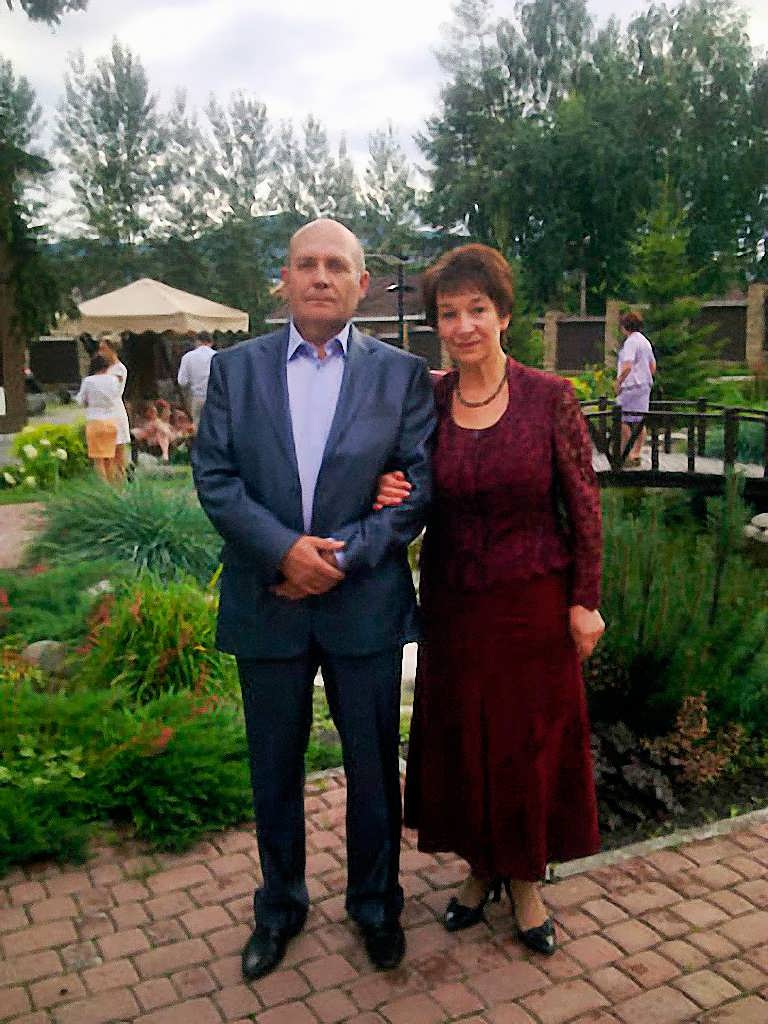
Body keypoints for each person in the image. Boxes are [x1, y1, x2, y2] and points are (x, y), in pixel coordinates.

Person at [191, 218, 436, 981]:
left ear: (362, 284)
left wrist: (338, 558)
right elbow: (215, 479)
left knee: (373, 768)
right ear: (285, 280)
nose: (320, 276)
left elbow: (417, 487)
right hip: (268, 599)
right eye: (306, 264)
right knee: (274, 769)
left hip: (364, 605)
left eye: (336, 265)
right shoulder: (235, 371)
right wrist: (284, 553)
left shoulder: (402, 375)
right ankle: (279, 907)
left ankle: (376, 904)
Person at [376, 244, 604, 956]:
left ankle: (526, 881)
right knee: (465, 741)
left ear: (504, 315)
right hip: (454, 605)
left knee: (525, 744)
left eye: (477, 309)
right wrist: (385, 486)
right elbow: (403, 475)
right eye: (449, 313)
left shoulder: (548, 397)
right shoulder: (430, 399)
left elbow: (584, 505)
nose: (464, 325)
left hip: (532, 604)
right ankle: (480, 869)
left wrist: (585, 600)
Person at [615, 311, 656, 467]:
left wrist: (619, 382)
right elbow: (652, 366)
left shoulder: (631, 342)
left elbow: (627, 365)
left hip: (631, 385)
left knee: (621, 418)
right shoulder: (645, 341)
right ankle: (637, 453)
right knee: (640, 419)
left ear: (625, 326)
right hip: (645, 385)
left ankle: (627, 451)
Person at [75, 354, 121, 483]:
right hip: (111, 421)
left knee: (98, 459)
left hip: (95, 421)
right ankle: (113, 486)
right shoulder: (114, 380)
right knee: (110, 458)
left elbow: (80, 400)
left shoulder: (89, 381)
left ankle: (103, 486)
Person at [97, 335, 131, 478]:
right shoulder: (105, 369)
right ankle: (109, 481)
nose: (101, 353)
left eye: (104, 349)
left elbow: (111, 389)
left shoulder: (119, 369)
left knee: (117, 452)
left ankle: (119, 481)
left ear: (112, 350)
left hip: (114, 412)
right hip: (103, 412)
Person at [177, 331, 216, 428]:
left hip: (197, 397)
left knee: (197, 426)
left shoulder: (187, 357)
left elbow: (182, 381)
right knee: (213, 425)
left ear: (197, 341)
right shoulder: (217, 356)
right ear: (211, 342)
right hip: (214, 397)